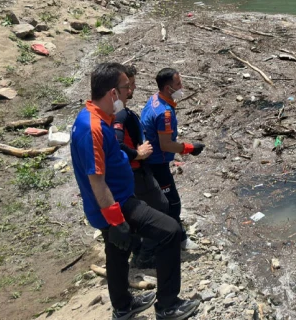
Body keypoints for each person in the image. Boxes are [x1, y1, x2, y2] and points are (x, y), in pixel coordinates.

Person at [70, 62, 199, 320]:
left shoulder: (94, 117)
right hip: (115, 204)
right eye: (126, 87)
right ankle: (168, 306)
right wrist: (117, 221)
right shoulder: (93, 128)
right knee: (170, 231)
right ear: (112, 93)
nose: (130, 91)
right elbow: (97, 181)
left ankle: (123, 306)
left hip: (111, 203)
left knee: (117, 252)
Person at [141, 68, 205, 250]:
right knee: (172, 203)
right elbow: (166, 144)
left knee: (158, 200)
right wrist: (189, 148)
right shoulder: (165, 113)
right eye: (178, 84)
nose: (182, 86)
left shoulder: (154, 99)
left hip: (149, 158)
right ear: (168, 88)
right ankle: (178, 239)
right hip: (156, 162)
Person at [113, 64, 169, 269]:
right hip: (136, 171)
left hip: (134, 169)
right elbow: (116, 143)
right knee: (160, 207)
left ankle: (137, 247)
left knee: (140, 209)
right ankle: (146, 254)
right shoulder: (119, 115)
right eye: (130, 85)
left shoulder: (119, 112)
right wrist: (138, 153)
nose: (133, 89)